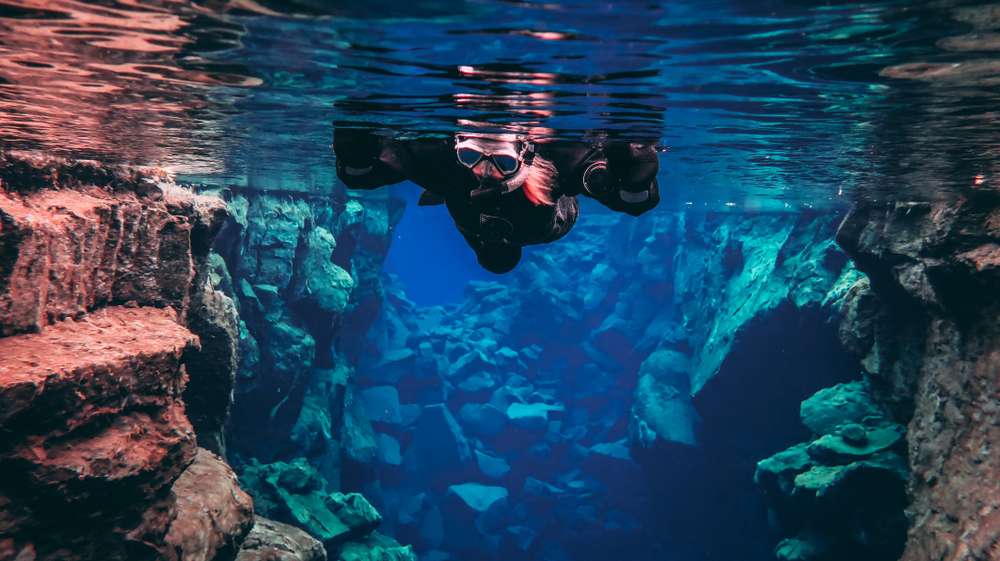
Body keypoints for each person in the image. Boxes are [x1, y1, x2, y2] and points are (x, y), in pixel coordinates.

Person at [333, 127, 660, 273]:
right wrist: (628, 175)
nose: (485, 169)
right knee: (618, 183)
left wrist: (361, 157)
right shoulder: (553, 179)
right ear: (525, 154)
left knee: (364, 170)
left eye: (473, 154)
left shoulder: (447, 168)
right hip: (538, 214)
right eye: (474, 155)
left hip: (491, 209)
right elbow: (624, 199)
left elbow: (391, 166)